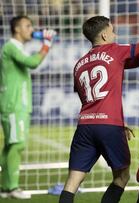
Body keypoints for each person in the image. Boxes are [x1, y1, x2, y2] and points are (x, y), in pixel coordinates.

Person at [59, 16, 137, 203]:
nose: (115, 34)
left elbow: (86, 98)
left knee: (72, 182)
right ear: (103, 35)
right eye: (112, 30)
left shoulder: (79, 64)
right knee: (122, 176)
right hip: (109, 125)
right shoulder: (116, 51)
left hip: (85, 125)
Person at [0, 15, 56, 199]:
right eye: (27, 25)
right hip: (14, 104)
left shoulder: (16, 48)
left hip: (16, 103)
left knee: (10, 145)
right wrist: (47, 44)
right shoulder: (11, 47)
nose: (31, 29)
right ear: (17, 29)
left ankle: (6, 187)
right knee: (17, 144)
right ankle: (12, 187)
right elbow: (33, 62)